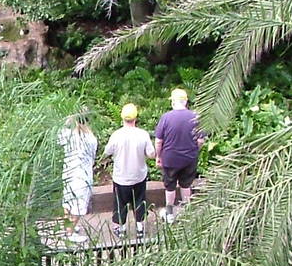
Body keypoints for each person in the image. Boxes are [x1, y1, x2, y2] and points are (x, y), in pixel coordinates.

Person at [103, 102, 155, 240]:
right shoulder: (143, 134)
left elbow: (107, 151)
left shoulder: (116, 135)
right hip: (139, 175)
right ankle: (139, 227)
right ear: (136, 118)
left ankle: (122, 229)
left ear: (122, 118)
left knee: (120, 203)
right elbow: (151, 154)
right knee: (139, 201)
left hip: (121, 177)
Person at [154, 87, 206, 221]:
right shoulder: (195, 117)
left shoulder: (166, 118)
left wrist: (158, 156)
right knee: (186, 185)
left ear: (173, 102)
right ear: (186, 102)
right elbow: (201, 140)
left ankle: (170, 214)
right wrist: (194, 150)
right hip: (189, 158)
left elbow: (159, 141)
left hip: (170, 159)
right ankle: (187, 213)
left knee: (170, 187)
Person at [57, 107, 98, 243]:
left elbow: (58, 133)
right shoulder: (90, 138)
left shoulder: (67, 134)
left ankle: (68, 228)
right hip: (83, 175)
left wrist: (68, 121)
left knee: (68, 202)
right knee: (79, 205)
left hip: (68, 173)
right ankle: (69, 234)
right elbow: (92, 157)